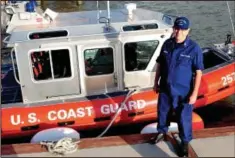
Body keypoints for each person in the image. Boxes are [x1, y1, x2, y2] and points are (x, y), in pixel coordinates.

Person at [149, 17, 204, 156]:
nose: (179, 32)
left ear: (188, 31)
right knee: (162, 112)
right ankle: (161, 132)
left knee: (184, 118)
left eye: (183, 29)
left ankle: (185, 143)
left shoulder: (194, 48)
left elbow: (198, 72)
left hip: (183, 91)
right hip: (166, 88)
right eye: (177, 28)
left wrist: (195, 93)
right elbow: (160, 64)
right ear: (174, 29)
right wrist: (156, 82)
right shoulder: (167, 44)